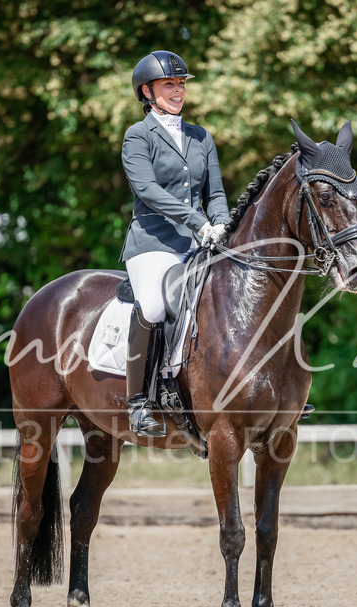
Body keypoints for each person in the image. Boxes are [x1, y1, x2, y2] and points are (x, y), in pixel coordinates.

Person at [120, 50, 230, 436]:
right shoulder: (138, 136)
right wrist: (198, 222)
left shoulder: (201, 136)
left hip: (200, 241)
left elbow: (215, 192)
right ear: (147, 92)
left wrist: (223, 224)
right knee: (152, 306)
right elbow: (147, 190)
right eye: (170, 84)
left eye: (182, 83)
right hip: (153, 241)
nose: (179, 90)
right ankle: (139, 402)